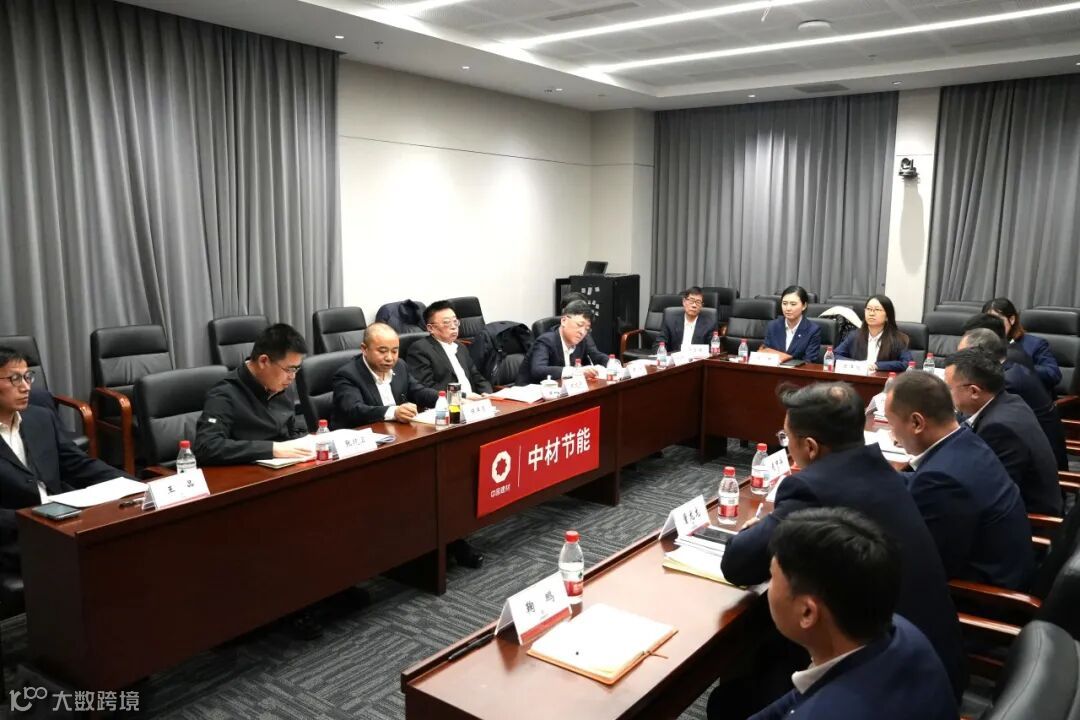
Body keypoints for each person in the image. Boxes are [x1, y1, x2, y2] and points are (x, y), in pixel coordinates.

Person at [715, 382, 964, 711]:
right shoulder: (881, 468)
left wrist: (758, 530)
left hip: (882, 676)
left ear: (810, 447)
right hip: (923, 656)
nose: (787, 447)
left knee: (731, 697)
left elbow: (738, 564)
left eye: (786, 438)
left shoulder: (811, 488)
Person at [743, 508, 957, 720]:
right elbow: (798, 697)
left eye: (772, 577)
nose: (770, 586)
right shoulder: (902, 632)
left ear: (807, 612)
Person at [884, 371, 1034, 590]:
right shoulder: (965, 440)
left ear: (917, 422)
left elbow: (922, 566)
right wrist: (880, 475)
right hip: (1004, 569)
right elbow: (922, 480)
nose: (893, 434)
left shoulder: (941, 481)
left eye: (891, 424)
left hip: (982, 598)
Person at [0, 347, 127, 576]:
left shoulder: (40, 417)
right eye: (14, 379)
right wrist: (35, 519)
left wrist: (134, 485)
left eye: (28, 377)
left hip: (62, 523)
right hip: (13, 539)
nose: (26, 387)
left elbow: (79, 464)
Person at [945, 349, 1061, 516]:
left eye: (948, 388)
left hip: (1030, 520)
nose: (946, 395)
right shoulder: (1010, 400)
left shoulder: (998, 429)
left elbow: (985, 492)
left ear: (974, 391)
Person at [194, 323, 312, 465]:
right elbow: (207, 446)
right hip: (246, 472)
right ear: (263, 361)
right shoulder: (224, 394)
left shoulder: (282, 385)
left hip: (287, 467)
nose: (292, 377)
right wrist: (272, 449)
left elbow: (292, 430)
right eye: (289, 369)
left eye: (296, 369)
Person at [959, 328, 1068, 470]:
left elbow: (973, 423)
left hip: (1041, 465)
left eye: (962, 357)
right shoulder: (1012, 365)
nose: (958, 364)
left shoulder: (1007, 382)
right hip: (1032, 457)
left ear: (980, 357)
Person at [332, 322, 439, 428]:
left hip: (396, 430)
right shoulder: (347, 375)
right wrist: (394, 412)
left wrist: (444, 398)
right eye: (382, 351)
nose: (389, 358)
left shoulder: (400, 365)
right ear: (364, 349)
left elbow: (418, 391)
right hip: (362, 433)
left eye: (394, 351)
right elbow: (354, 410)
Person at [406, 300, 493, 397]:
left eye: (455, 321)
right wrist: (463, 396)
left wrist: (488, 394)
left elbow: (477, 377)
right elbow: (427, 388)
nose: (453, 327)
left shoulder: (461, 347)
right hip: (450, 403)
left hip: (476, 401)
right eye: (447, 322)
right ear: (431, 328)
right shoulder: (420, 349)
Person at [517, 300, 609, 385]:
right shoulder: (545, 341)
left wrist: (612, 364)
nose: (582, 332)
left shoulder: (582, 340)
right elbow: (538, 370)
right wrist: (576, 371)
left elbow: (596, 356)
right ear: (564, 321)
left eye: (587, 329)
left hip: (563, 391)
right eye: (579, 325)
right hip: (529, 393)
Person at [983, 297, 1061, 393]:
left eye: (998, 320)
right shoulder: (981, 343)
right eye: (988, 321)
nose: (993, 326)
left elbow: (1053, 374)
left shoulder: (1035, 344)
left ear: (1011, 319)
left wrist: (1023, 368)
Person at [834, 295, 912, 372]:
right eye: (868, 309)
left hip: (884, 379)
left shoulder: (898, 339)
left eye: (877, 310)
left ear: (887, 316)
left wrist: (877, 366)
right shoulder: (855, 336)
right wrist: (857, 365)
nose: (871, 313)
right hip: (857, 378)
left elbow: (907, 363)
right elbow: (835, 355)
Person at [762, 286, 821, 363]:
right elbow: (765, 353)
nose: (788, 308)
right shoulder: (773, 326)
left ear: (804, 306)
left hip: (799, 370)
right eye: (784, 303)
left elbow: (809, 361)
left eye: (793, 304)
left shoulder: (813, 330)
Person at [659, 286, 716, 352]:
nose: (694, 305)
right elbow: (660, 343)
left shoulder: (710, 324)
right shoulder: (670, 320)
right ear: (684, 302)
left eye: (698, 302)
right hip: (674, 357)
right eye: (691, 301)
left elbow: (712, 349)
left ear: (701, 306)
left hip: (697, 358)